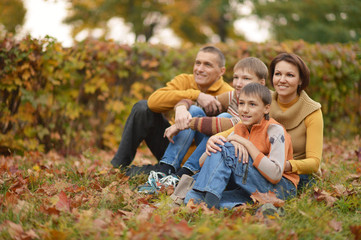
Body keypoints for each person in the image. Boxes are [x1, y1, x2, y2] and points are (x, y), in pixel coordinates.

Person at [137, 58, 268, 194]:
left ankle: (184, 175)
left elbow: (228, 124)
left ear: (261, 83)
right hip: (212, 150)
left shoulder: (261, 104)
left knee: (224, 117)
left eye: (246, 78)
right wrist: (181, 108)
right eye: (236, 77)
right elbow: (196, 104)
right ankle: (165, 170)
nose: (238, 83)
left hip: (235, 160)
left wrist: (183, 125)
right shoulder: (233, 96)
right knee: (193, 111)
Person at [207, 53, 324, 189]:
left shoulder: (312, 111)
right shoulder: (265, 100)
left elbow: (314, 163)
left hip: (295, 174)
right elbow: (237, 128)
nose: (282, 80)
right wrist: (215, 139)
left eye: (290, 75)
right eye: (278, 74)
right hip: (261, 165)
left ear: (300, 81)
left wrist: (281, 165)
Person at [110, 46, 234, 173]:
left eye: (207, 65)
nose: (199, 69)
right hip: (173, 145)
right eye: (198, 63)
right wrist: (194, 96)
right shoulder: (185, 80)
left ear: (221, 71)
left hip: (200, 156)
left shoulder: (229, 94)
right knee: (142, 108)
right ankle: (118, 167)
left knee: (203, 115)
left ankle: (174, 172)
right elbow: (153, 102)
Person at [184, 83, 298, 209]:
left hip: (281, 189)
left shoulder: (275, 130)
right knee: (196, 199)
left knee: (226, 148)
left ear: (266, 108)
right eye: (241, 103)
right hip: (251, 187)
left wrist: (245, 143)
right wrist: (214, 144)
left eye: (252, 104)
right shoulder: (240, 128)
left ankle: (207, 205)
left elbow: (275, 175)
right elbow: (203, 162)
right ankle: (256, 208)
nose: (244, 109)